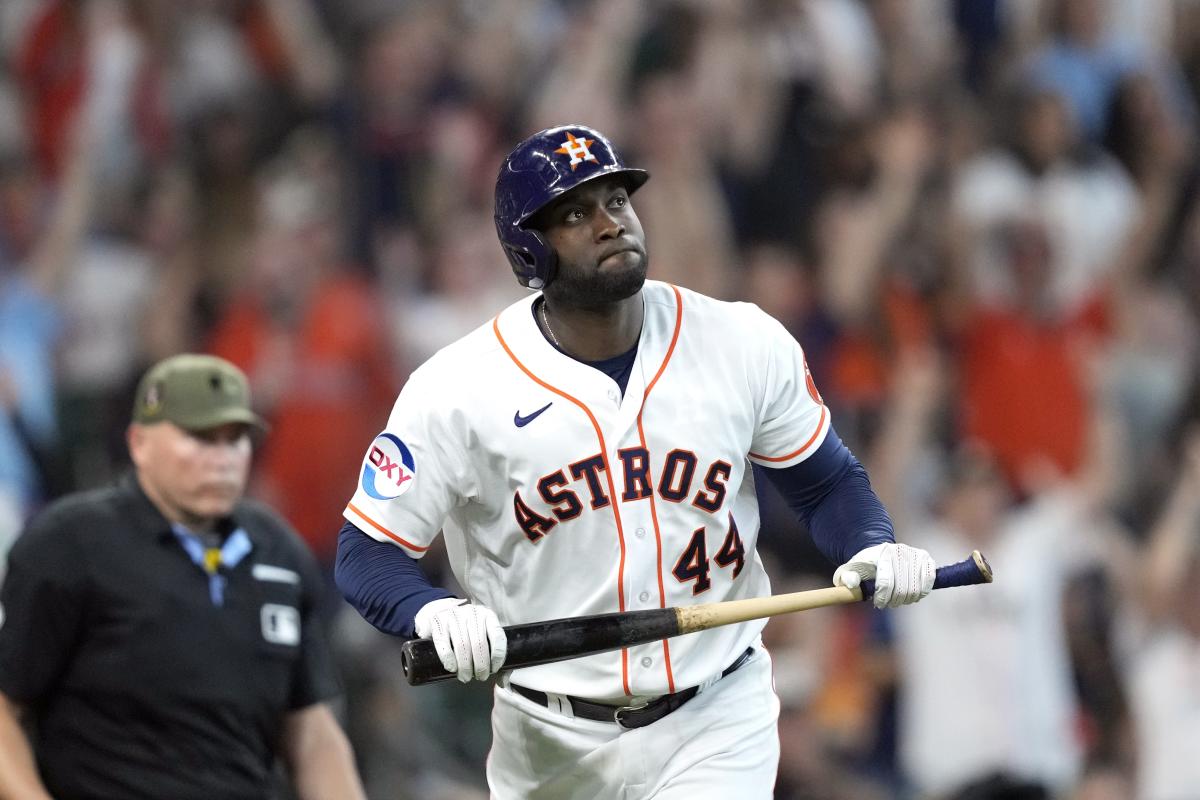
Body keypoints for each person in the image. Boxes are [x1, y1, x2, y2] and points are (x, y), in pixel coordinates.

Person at [334, 124, 938, 798]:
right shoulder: (457, 390)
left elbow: (825, 483)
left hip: (716, 713)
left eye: (617, 201)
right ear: (528, 249)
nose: (608, 223)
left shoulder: (739, 341)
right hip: (550, 740)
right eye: (575, 213)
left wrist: (873, 545)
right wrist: (432, 612)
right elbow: (366, 551)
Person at [0, 354, 366, 800]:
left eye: (235, 440)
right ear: (139, 443)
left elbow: (311, 730)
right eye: (200, 438)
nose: (222, 458)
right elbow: (5, 709)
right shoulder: (71, 544)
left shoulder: (277, 550)